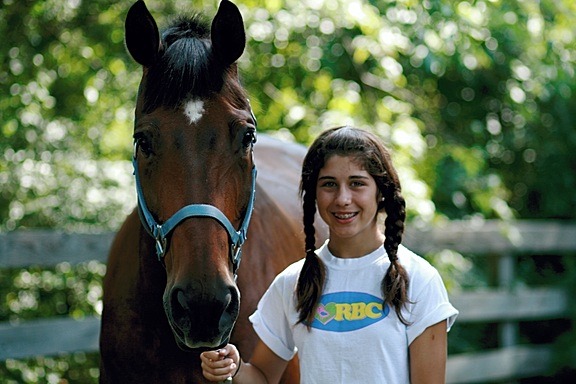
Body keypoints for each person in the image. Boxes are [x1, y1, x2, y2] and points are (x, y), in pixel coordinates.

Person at [200, 126, 458, 383]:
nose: (342, 198)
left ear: (381, 192)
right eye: (329, 185)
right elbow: (264, 378)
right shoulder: (293, 282)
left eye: (357, 184)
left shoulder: (420, 280)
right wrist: (233, 368)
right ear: (314, 194)